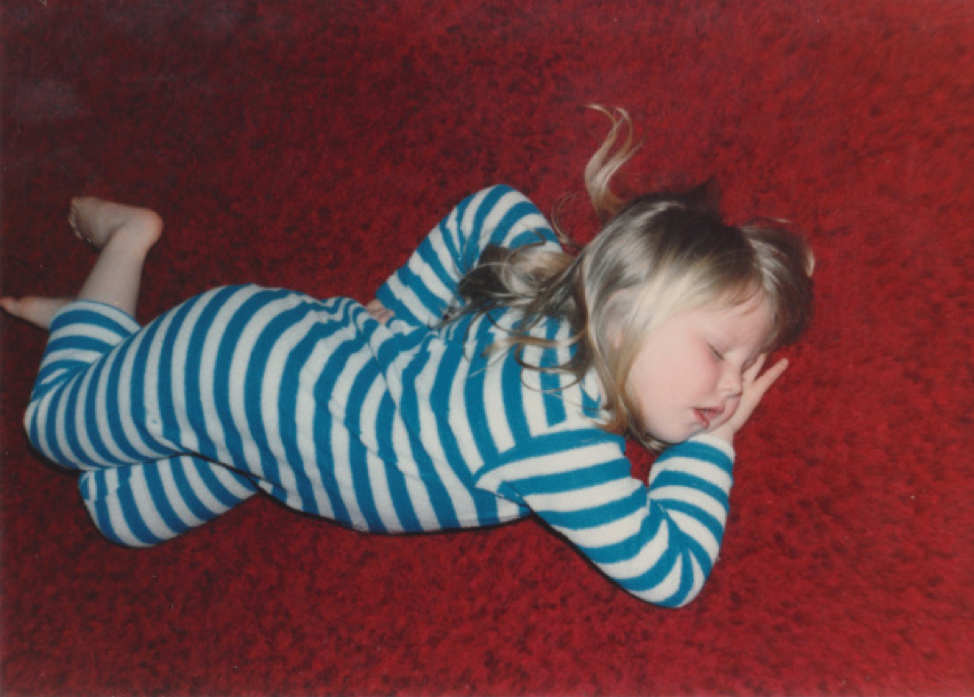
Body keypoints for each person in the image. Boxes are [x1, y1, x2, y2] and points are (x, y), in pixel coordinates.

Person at [1, 109, 813, 607]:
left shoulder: (553, 280)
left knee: (120, 513)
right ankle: (126, 245)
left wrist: (401, 318)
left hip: (280, 428)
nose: (734, 385)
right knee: (52, 425)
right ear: (630, 305)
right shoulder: (566, 447)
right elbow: (673, 571)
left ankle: (98, 335)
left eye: (747, 362)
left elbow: (494, 206)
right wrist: (710, 445)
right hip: (218, 367)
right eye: (720, 351)